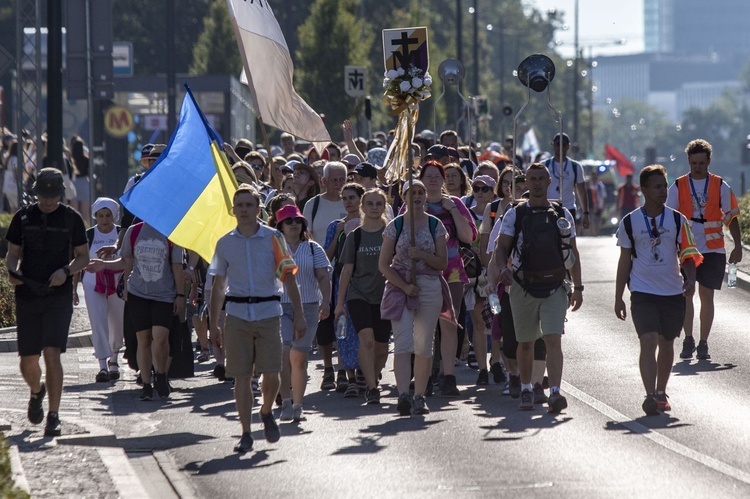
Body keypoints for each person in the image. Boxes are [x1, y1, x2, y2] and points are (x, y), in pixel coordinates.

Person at [209, 184, 305, 453]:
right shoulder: (224, 242)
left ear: (259, 208)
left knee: (271, 374)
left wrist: (298, 315)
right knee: (240, 376)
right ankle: (246, 433)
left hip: (268, 313)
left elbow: (288, 278)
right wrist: (215, 323)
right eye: (239, 205)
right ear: (233, 210)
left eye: (249, 205)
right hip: (237, 315)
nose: (244, 210)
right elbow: (218, 287)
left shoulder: (273, 237)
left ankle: (265, 411)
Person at [487, 163, 583, 413]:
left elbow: (573, 252)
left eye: (542, 178)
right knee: (526, 342)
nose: (538, 183)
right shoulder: (514, 214)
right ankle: (527, 388)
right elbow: (501, 249)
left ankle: (554, 392)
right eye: (533, 179)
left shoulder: (562, 213)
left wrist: (579, 287)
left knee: (553, 340)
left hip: (555, 286)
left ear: (549, 181)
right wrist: (502, 269)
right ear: (526, 183)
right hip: (522, 286)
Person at [5, 168, 89, 436]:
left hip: (58, 295)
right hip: (28, 293)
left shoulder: (72, 218)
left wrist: (66, 272)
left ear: (60, 194)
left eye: (52, 196)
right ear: (36, 193)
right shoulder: (23, 217)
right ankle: (36, 390)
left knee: (52, 353)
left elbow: (83, 257)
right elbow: (12, 254)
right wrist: (12, 272)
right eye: (43, 195)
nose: (48, 201)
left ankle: (54, 415)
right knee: (27, 361)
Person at [615, 164, 702, 415]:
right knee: (648, 340)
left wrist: (691, 279)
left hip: (672, 291)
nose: (663, 191)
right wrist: (619, 296)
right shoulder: (630, 222)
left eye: (664, 186)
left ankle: (662, 391)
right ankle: (650, 394)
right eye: (657, 187)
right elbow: (624, 261)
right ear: (644, 190)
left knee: (666, 343)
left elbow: (688, 254)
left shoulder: (677, 219)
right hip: (642, 291)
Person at [379, 179, 451, 416]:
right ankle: (403, 395)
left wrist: (421, 254)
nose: (418, 196)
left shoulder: (435, 225)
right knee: (402, 343)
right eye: (412, 193)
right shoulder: (395, 226)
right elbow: (384, 264)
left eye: (421, 192)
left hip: (429, 285)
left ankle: (419, 395)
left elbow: (442, 262)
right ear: (405, 196)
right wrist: (404, 286)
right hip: (401, 287)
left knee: (423, 343)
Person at [666, 139, 742, 360]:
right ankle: (688, 339)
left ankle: (704, 342)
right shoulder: (678, 185)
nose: (697, 167)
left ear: (709, 161)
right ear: (688, 162)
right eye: (693, 163)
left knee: (706, 296)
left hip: (713, 248)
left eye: (701, 162)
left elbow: (732, 216)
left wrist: (737, 246)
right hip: (688, 249)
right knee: (687, 294)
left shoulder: (719, 185)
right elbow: (668, 217)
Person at [417, 161, 477, 397]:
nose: (432, 180)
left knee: (448, 324)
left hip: (452, 272)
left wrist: (451, 209)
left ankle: (448, 375)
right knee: (424, 327)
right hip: (421, 272)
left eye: (437, 176)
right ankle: (426, 374)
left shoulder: (456, 204)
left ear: (443, 181)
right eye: (428, 176)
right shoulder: (413, 204)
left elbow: (469, 237)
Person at [271, 204, 331, 422]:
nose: (294, 224)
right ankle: (285, 402)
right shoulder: (273, 248)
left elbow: (323, 277)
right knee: (283, 353)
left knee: (299, 358)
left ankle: (298, 405)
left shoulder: (313, 248)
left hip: (308, 306)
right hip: (279, 307)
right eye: (288, 221)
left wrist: (327, 303)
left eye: (297, 220)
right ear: (279, 226)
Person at [334, 189, 390, 404]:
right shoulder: (354, 236)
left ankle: (371, 378)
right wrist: (340, 303)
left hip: (385, 295)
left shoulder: (390, 233)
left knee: (382, 347)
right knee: (366, 340)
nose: (374, 207)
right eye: (370, 204)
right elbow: (346, 271)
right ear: (363, 207)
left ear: (384, 207)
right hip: (359, 295)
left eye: (378, 203)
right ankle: (372, 388)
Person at [77, 197, 125, 382]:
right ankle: (102, 365)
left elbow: (128, 258)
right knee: (98, 321)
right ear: (95, 216)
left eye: (108, 215)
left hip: (118, 283)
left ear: (114, 216)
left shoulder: (122, 233)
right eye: (100, 215)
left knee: (117, 321)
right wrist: (74, 290)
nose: (104, 220)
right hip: (92, 283)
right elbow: (79, 260)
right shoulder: (88, 235)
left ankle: (114, 359)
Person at [543, 133, 590, 229]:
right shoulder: (544, 165)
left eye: (563, 145)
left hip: (568, 208)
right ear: (553, 145)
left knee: (569, 238)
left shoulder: (575, 167)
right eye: (557, 144)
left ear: (568, 146)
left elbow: (581, 192)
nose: (560, 147)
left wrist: (585, 213)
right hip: (548, 208)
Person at [302, 161, 348, 245]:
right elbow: (306, 236)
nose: (338, 184)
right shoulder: (312, 205)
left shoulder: (352, 204)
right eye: (334, 180)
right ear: (324, 181)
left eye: (341, 180)